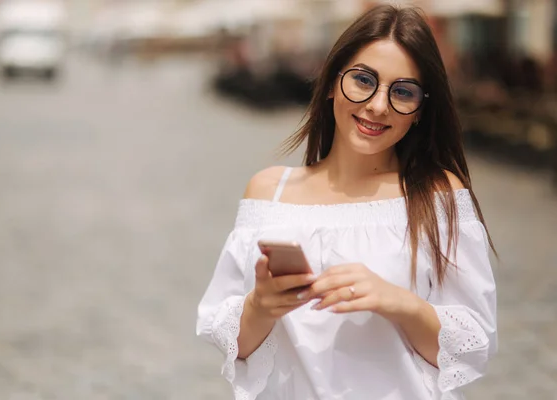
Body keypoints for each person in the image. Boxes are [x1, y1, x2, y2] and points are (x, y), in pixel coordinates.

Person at [196, 5, 497, 400]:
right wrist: (261, 305)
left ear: (420, 109)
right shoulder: (269, 192)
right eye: (363, 80)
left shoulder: (438, 194)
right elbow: (232, 345)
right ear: (332, 81)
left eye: (402, 91)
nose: (377, 105)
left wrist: (399, 302)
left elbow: (471, 346)